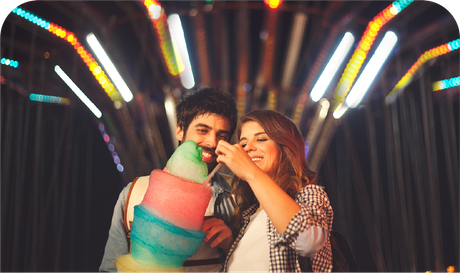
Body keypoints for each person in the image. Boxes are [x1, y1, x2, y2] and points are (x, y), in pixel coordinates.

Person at [99, 87, 238, 273]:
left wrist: (231, 244)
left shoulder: (236, 196)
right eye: (203, 130)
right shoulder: (132, 193)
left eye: (222, 136)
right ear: (180, 130)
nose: (212, 142)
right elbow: (110, 267)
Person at [215, 109, 334, 272]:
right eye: (243, 143)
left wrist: (251, 172)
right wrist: (230, 244)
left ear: (285, 146)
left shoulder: (308, 194)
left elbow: (309, 242)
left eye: (261, 139)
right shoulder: (249, 212)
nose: (248, 148)